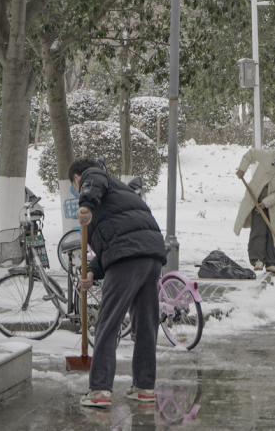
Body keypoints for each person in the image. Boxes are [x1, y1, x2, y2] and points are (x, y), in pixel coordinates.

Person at [70, 158, 167, 408]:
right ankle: (144, 387)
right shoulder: (120, 194)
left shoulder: (92, 180)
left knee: (107, 321)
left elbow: (93, 179)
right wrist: (92, 272)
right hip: (151, 255)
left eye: (75, 185)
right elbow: (107, 247)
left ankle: (100, 389)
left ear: (78, 179)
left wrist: (86, 204)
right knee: (145, 324)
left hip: (127, 256)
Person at [234, 140, 275, 274]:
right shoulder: (267, 155)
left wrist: (266, 202)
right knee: (258, 230)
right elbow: (250, 154)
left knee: (273, 232)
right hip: (256, 199)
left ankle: (272, 262)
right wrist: (242, 169)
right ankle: (257, 259)